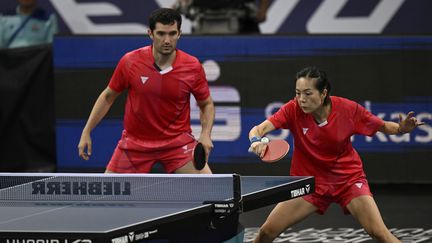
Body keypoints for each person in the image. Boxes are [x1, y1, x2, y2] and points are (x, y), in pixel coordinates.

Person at [248, 66, 424, 243]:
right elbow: (259, 129)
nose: (301, 99)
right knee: (266, 232)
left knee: (380, 233)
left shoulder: (348, 109)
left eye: (308, 93)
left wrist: (401, 128)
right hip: (310, 182)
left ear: (323, 93)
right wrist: (255, 141)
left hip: (347, 179)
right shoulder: (292, 109)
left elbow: (383, 126)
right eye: (298, 93)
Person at [78, 8, 214, 174]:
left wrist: (206, 134)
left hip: (177, 143)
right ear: (150, 33)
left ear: (179, 34)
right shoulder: (130, 61)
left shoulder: (192, 66)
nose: (167, 40)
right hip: (135, 145)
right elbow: (108, 97)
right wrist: (87, 130)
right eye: (161, 34)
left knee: (212, 190)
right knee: (109, 197)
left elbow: (206, 104)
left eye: (172, 34)